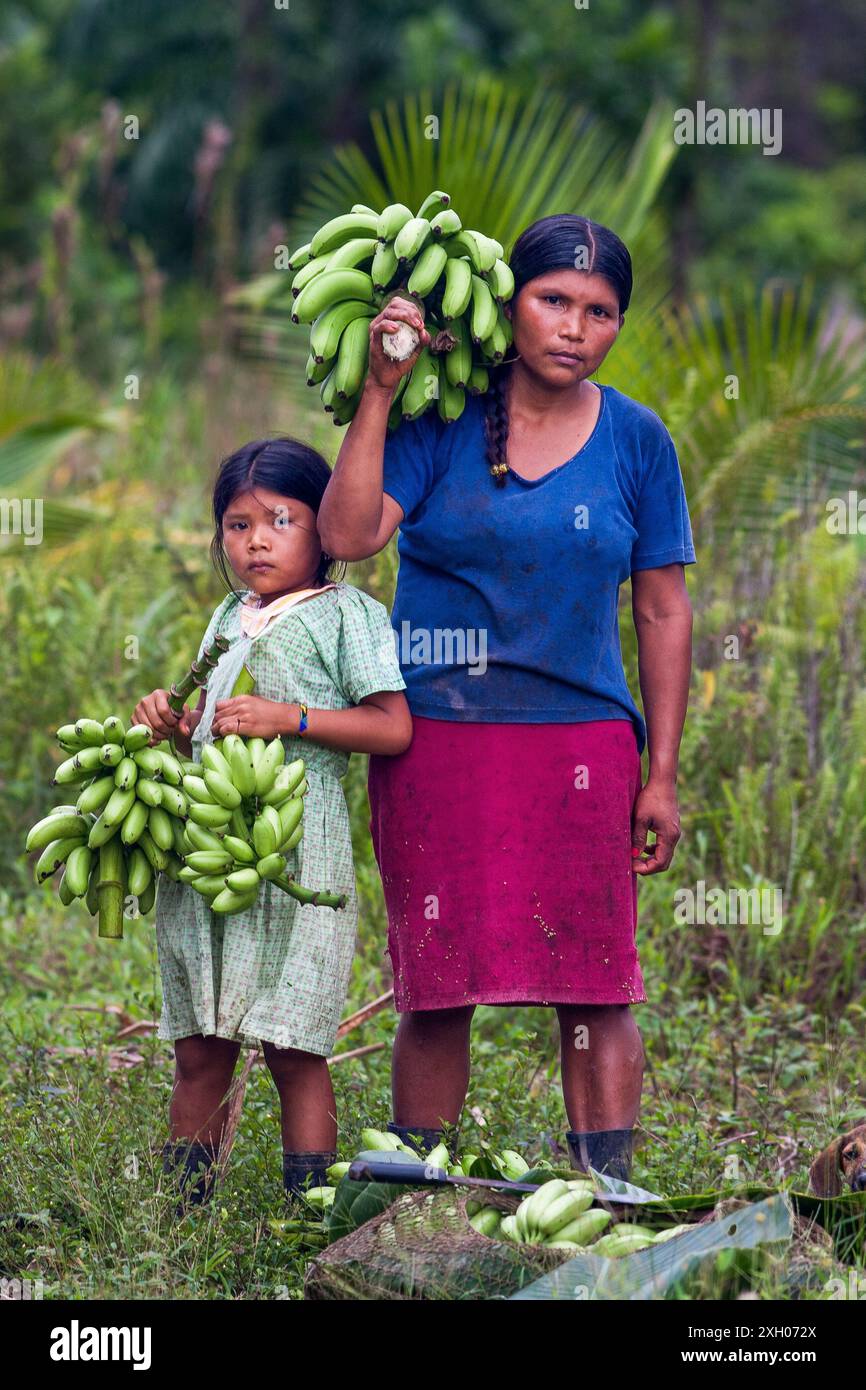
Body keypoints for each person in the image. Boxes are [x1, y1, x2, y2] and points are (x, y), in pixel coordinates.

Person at [317, 214, 697, 1182]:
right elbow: (348, 533)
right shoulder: (438, 424)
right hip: (439, 741)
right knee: (437, 987)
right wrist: (379, 388)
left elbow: (660, 611)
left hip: (582, 745)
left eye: (598, 310)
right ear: (512, 306)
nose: (573, 326)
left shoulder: (636, 443)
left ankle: (604, 1195)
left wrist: (661, 774)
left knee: (596, 985)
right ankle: (418, 1202)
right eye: (553, 300)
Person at [131, 436, 412, 1211]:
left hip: (296, 857)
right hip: (210, 851)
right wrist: (173, 722)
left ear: (325, 526)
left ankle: (308, 1210)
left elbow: (392, 727)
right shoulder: (228, 615)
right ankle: (182, 1214)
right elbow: (211, 735)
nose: (256, 540)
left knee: (294, 1047)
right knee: (200, 1046)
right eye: (238, 524)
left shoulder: (346, 616)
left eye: (281, 520)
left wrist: (290, 717)